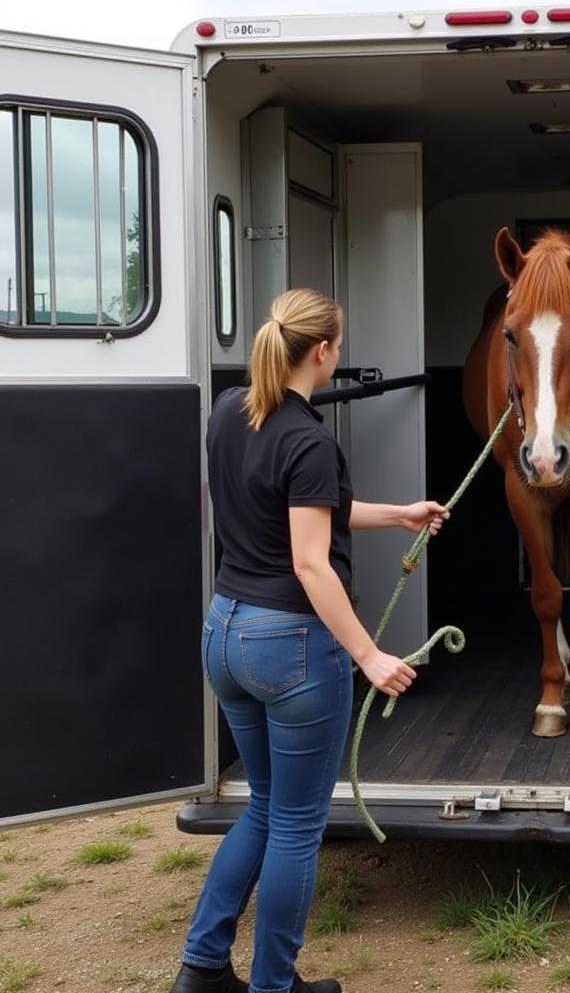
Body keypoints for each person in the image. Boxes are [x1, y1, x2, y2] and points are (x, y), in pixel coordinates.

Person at [169, 288, 448, 993]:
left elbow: (303, 510)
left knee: (265, 807)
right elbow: (308, 559)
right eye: (340, 345)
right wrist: (369, 654)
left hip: (225, 633)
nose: (340, 355)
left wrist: (401, 514)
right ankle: (274, 986)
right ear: (322, 352)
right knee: (296, 824)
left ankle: (202, 966)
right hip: (291, 648)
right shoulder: (309, 439)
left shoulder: (230, 413)